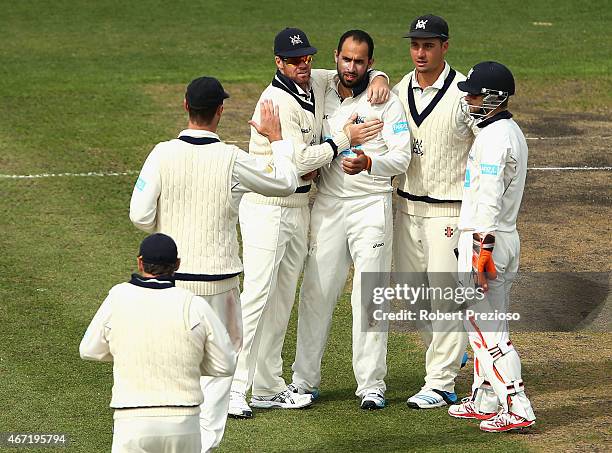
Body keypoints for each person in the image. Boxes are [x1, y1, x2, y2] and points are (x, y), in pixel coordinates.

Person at [128, 76, 299, 451]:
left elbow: (139, 215)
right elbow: (286, 182)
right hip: (221, 285)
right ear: (220, 111)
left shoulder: (160, 153)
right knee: (221, 367)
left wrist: (170, 224)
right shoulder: (233, 159)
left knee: (172, 368)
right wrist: (277, 139)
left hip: (172, 285)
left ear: (186, 106)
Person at [230, 27, 389, 418]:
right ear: (278, 62)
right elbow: (297, 162)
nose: (303, 65)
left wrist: (381, 75)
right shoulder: (276, 101)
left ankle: (267, 387)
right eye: (294, 60)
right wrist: (342, 141)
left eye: (307, 58)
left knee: (282, 301)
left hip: (299, 209)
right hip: (267, 207)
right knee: (256, 299)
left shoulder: (312, 82)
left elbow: (353, 72)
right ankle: (234, 388)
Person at [290, 29, 411, 410]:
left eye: (361, 62)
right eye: (346, 59)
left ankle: (371, 384)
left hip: (370, 205)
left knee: (370, 297)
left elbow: (402, 157)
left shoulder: (386, 101)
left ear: (370, 62)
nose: (352, 67)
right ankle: (304, 381)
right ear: (336, 57)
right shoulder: (322, 86)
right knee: (316, 293)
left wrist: (371, 162)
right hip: (327, 205)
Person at [79, 233, 237, 453]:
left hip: (132, 421)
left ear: (140, 262)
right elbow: (226, 364)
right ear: (178, 265)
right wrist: (184, 361)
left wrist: (133, 353)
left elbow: (89, 350)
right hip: (184, 422)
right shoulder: (194, 304)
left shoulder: (118, 297)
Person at [391, 14, 476, 409]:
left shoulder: (463, 92)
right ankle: (452, 350)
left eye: (428, 45)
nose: (420, 52)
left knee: (446, 299)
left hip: (449, 211)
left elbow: (487, 141)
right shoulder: (397, 88)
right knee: (411, 296)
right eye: (415, 45)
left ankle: (441, 384)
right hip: (406, 206)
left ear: (445, 45)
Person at [449, 61, 536, 432]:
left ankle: (518, 406)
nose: (468, 98)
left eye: (475, 93)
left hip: (488, 241)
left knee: (486, 330)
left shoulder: (496, 138)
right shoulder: (506, 130)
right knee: (490, 324)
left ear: (494, 98)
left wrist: (480, 250)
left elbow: (487, 199)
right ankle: (486, 396)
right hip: (502, 237)